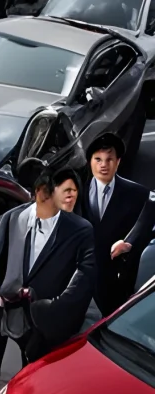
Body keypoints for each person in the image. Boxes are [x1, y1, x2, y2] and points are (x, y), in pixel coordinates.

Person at [0, 160, 97, 394]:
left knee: (31, 374)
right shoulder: (13, 218)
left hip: (41, 316)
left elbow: (84, 278)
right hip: (4, 307)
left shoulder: (80, 229)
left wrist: (55, 308)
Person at [77, 132, 152, 316]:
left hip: (114, 281)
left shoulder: (138, 195)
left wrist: (128, 243)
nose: (103, 165)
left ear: (118, 162)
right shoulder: (76, 192)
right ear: (90, 162)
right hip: (79, 279)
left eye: (109, 159)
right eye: (98, 159)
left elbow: (146, 226)